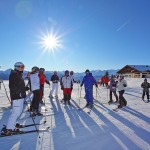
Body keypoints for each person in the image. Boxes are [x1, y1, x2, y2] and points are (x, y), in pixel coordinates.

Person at [1, 62, 27, 135]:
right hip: (17, 96)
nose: (22, 68)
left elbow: (19, 85)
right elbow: (13, 87)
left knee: (18, 111)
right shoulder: (14, 74)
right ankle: (9, 128)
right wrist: (19, 93)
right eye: (21, 67)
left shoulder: (17, 74)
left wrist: (24, 89)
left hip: (20, 96)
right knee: (16, 112)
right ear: (17, 67)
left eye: (23, 67)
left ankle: (13, 124)